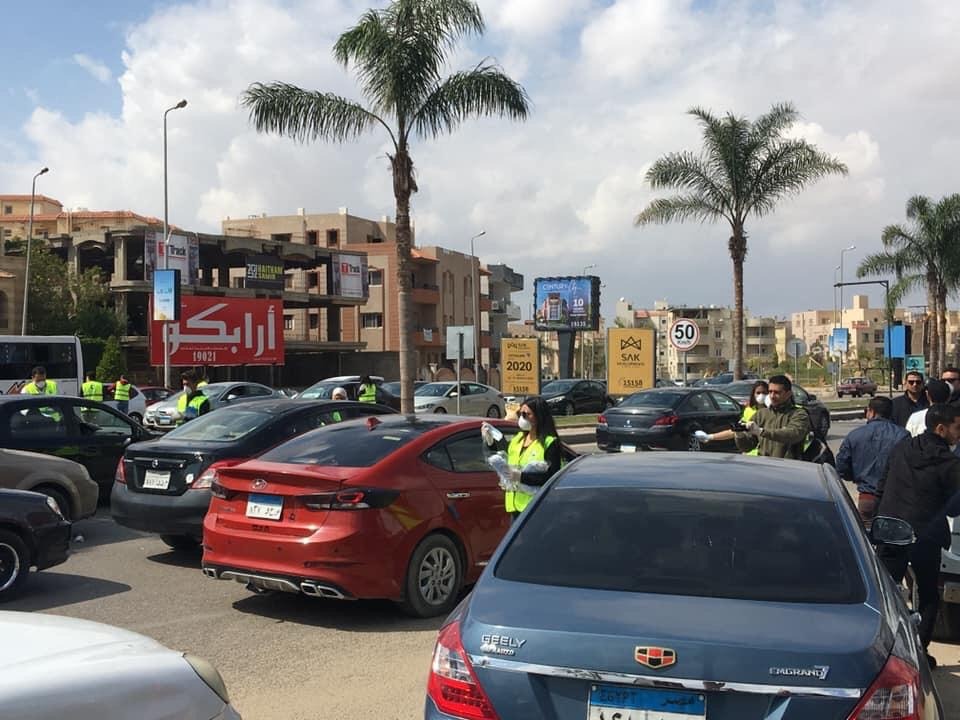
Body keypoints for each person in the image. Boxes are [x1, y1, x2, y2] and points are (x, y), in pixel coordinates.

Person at [876, 403, 960, 667]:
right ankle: (919, 652)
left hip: (891, 528)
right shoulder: (949, 462)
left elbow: (883, 482)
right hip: (926, 535)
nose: (959, 434)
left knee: (884, 591)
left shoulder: (903, 447)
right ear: (941, 428)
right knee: (927, 593)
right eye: (957, 428)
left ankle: (881, 649)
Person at [482, 396, 561, 522]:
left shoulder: (549, 443)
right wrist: (490, 442)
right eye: (520, 413)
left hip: (536, 508)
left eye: (527, 414)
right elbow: (505, 458)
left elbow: (552, 477)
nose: (522, 417)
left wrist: (520, 477)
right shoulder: (518, 439)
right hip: (515, 507)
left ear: (539, 416)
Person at [835, 396, 908, 527]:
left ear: (871, 412)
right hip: (893, 499)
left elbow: (841, 467)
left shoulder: (855, 435)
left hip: (867, 497)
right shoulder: (903, 435)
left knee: (865, 540)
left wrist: (856, 476)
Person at [734, 375, 810, 458]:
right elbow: (747, 447)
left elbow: (793, 434)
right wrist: (739, 434)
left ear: (788, 394)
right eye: (770, 392)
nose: (772, 396)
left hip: (788, 466)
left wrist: (761, 431)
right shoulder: (761, 414)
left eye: (777, 392)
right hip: (765, 465)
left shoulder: (799, 414)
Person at [696, 380, 768, 454]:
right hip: (750, 455)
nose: (761, 396)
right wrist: (710, 437)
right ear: (753, 394)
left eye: (764, 393)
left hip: (766, 454)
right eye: (758, 393)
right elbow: (735, 431)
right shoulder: (749, 411)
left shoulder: (773, 411)